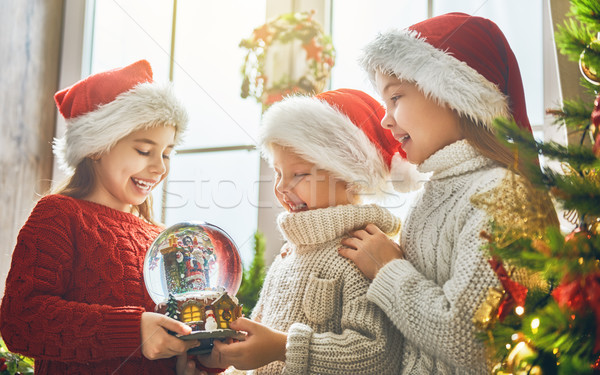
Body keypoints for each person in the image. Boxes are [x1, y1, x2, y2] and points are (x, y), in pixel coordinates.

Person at [338, 13, 559, 374]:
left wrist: (387, 268)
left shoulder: (504, 194)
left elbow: (474, 341)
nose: (385, 119)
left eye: (396, 97)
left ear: (452, 94)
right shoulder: (431, 195)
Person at [0, 60, 200, 374]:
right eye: (144, 151)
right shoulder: (59, 216)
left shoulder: (162, 239)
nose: (160, 168)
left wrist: (203, 351)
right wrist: (133, 331)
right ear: (96, 146)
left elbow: (176, 332)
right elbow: (21, 320)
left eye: (166, 153)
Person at [196, 89, 405, 374]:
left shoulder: (362, 252)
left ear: (352, 178)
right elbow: (259, 351)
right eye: (278, 173)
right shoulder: (289, 256)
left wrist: (283, 347)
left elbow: (376, 354)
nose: (282, 187)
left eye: (299, 174)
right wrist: (231, 360)